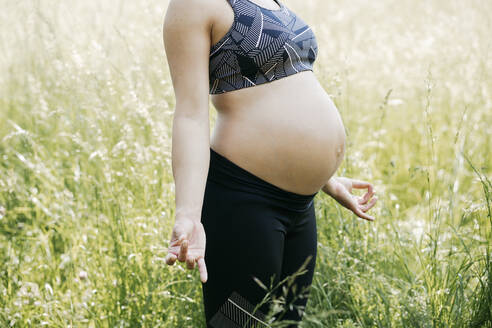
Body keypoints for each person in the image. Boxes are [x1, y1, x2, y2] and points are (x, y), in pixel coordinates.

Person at [162, 0, 378, 326]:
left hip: (300, 206)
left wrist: (325, 178)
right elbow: (191, 115)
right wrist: (188, 214)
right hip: (244, 197)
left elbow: (282, 92)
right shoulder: (195, 4)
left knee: (287, 321)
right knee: (239, 323)